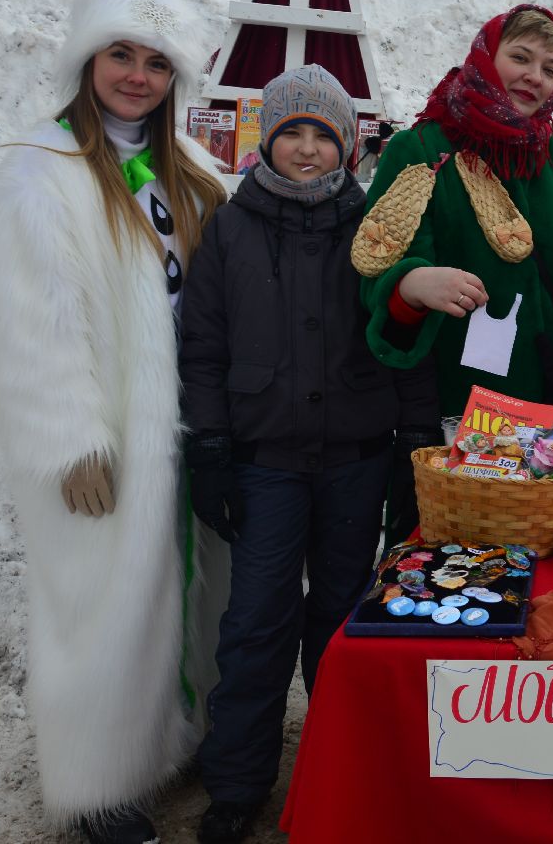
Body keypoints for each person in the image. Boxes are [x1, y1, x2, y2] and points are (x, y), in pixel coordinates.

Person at [0, 0, 229, 844]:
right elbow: (31, 328)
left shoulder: (192, 168)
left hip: (191, 428)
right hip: (110, 438)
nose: (136, 75)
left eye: (156, 62)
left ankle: (177, 734)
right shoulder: (39, 176)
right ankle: (97, 785)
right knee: (105, 605)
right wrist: (71, 440)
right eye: (119, 54)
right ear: (88, 60)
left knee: (191, 593)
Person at [178, 65, 439, 843]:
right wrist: (212, 446)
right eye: (290, 131)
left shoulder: (377, 225)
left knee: (339, 623)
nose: (305, 148)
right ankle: (237, 782)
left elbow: (410, 339)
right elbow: (203, 346)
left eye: (322, 134)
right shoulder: (232, 225)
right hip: (266, 462)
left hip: (357, 456)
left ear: (347, 145)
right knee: (256, 622)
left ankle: (339, 770)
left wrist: (414, 444)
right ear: (266, 139)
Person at [353, 3, 553, 525]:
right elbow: (374, 273)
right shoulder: (420, 149)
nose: (535, 77)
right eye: (521, 58)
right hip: (461, 415)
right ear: (487, 57)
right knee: (467, 568)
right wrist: (413, 283)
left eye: (551, 69)